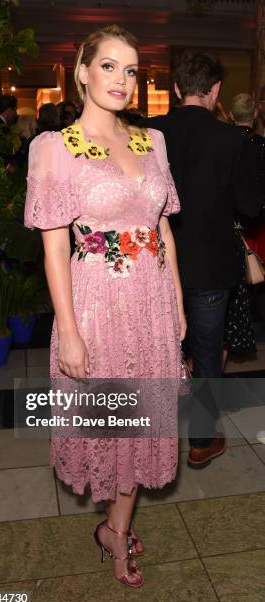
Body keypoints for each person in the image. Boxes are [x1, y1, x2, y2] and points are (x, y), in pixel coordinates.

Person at [24, 24, 185, 588]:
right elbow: (53, 250)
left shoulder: (153, 141)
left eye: (132, 70)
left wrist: (179, 304)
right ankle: (115, 534)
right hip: (96, 305)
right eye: (110, 66)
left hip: (152, 304)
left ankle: (117, 528)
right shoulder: (54, 148)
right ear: (83, 71)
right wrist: (68, 332)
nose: (122, 79)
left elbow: (164, 229)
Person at [147, 51, 260, 467]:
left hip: (156, 261)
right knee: (208, 350)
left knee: (158, 348)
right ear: (215, 91)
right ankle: (200, 439)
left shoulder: (150, 131)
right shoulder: (234, 140)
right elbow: (250, 207)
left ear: (176, 89)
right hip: (211, 264)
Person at [223, 93, 265, 363]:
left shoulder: (225, 144)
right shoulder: (261, 144)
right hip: (259, 222)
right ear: (256, 115)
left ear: (230, 115)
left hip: (233, 223)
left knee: (240, 284)